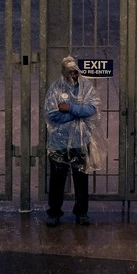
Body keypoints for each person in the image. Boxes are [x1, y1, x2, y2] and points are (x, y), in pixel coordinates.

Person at [44, 56, 105, 227]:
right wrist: (78, 113)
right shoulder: (55, 88)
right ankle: (54, 212)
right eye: (70, 73)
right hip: (59, 143)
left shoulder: (86, 87)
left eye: (75, 72)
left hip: (80, 141)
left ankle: (81, 212)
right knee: (57, 181)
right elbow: (51, 114)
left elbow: (92, 109)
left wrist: (69, 108)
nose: (74, 76)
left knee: (81, 180)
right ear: (64, 72)